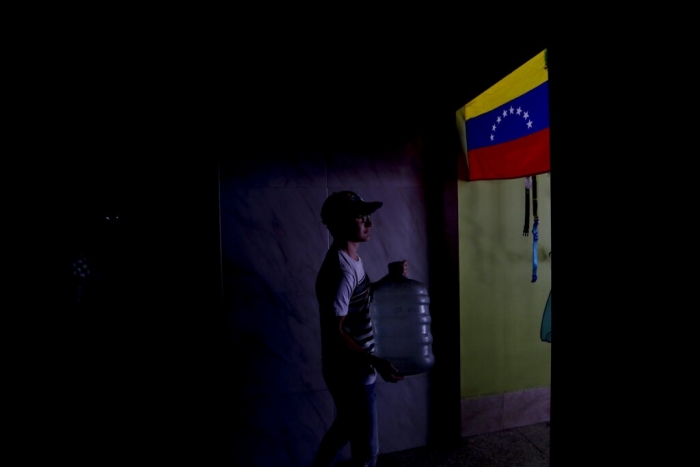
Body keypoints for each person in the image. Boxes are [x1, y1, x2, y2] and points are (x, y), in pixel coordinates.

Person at [312, 191, 406, 467]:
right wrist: (375, 361)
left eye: (367, 216)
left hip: (351, 367)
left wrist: (388, 279)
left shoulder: (351, 259)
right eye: (360, 217)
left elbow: (359, 298)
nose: (369, 223)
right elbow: (335, 332)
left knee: (344, 429)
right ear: (338, 223)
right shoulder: (341, 271)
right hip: (349, 371)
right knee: (367, 451)